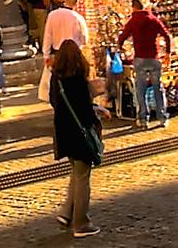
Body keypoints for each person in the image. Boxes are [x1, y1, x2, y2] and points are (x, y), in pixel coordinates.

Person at [47, 37, 104, 238]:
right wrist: (96, 117)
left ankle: (66, 213)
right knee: (82, 177)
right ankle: (81, 223)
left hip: (64, 131)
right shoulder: (78, 78)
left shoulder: (56, 77)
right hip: (80, 132)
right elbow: (84, 108)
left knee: (76, 173)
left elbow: (54, 101)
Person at [119, 0, 170, 130]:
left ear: (134, 7)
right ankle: (162, 117)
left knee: (140, 90)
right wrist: (168, 53)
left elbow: (122, 36)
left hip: (140, 58)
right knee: (157, 88)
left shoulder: (133, 21)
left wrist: (120, 48)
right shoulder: (154, 20)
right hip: (154, 57)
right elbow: (167, 35)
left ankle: (143, 119)